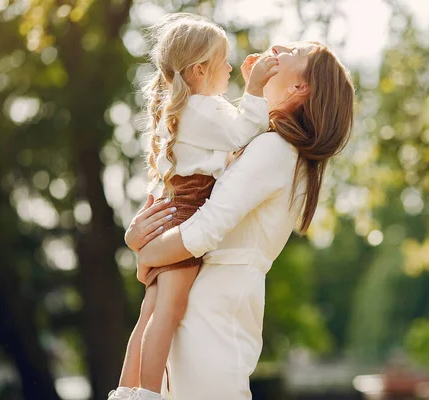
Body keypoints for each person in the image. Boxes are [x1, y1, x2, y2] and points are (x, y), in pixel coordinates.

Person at [127, 40, 355, 399]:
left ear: (300, 88)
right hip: (210, 308)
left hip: (212, 314)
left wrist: (145, 255)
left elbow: (205, 229)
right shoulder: (272, 149)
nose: (278, 47)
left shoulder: (274, 150)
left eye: (294, 52)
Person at [107, 13, 279, 400]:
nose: (232, 69)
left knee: (149, 314)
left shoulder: (186, 109)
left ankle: (126, 390)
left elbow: (228, 140)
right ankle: (148, 393)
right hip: (187, 211)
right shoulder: (203, 108)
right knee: (168, 311)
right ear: (200, 70)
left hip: (173, 207)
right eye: (225, 62)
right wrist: (255, 88)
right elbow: (243, 132)